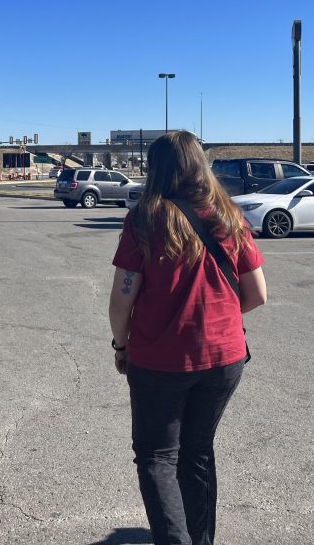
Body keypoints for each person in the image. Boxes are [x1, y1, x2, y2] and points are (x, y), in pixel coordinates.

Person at [109, 131, 267, 545]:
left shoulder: (145, 218)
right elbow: (257, 294)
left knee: (157, 457)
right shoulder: (229, 216)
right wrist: (217, 319)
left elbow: (120, 300)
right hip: (225, 357)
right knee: (197, 451)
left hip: (160, 358)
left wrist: (121, 345)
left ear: (156, 169)